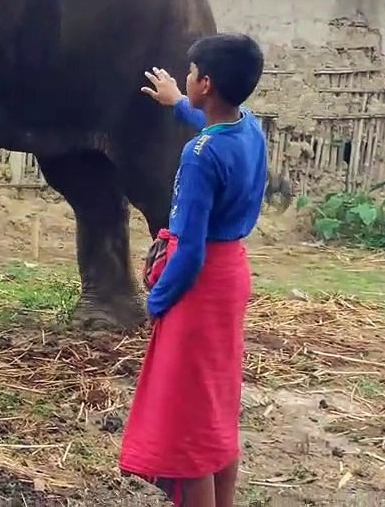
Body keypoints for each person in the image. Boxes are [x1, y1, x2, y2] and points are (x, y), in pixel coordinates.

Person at [120, 33, 268, 507]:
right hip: (231, 278)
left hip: (196, 288)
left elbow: (189, 251)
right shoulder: (251, 128)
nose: (185, 79)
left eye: (190, 74)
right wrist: (179, 103)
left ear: (205, 82)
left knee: (185, 426)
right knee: (213, 407)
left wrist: (156, 303)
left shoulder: (200, 156)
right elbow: (215, 123)